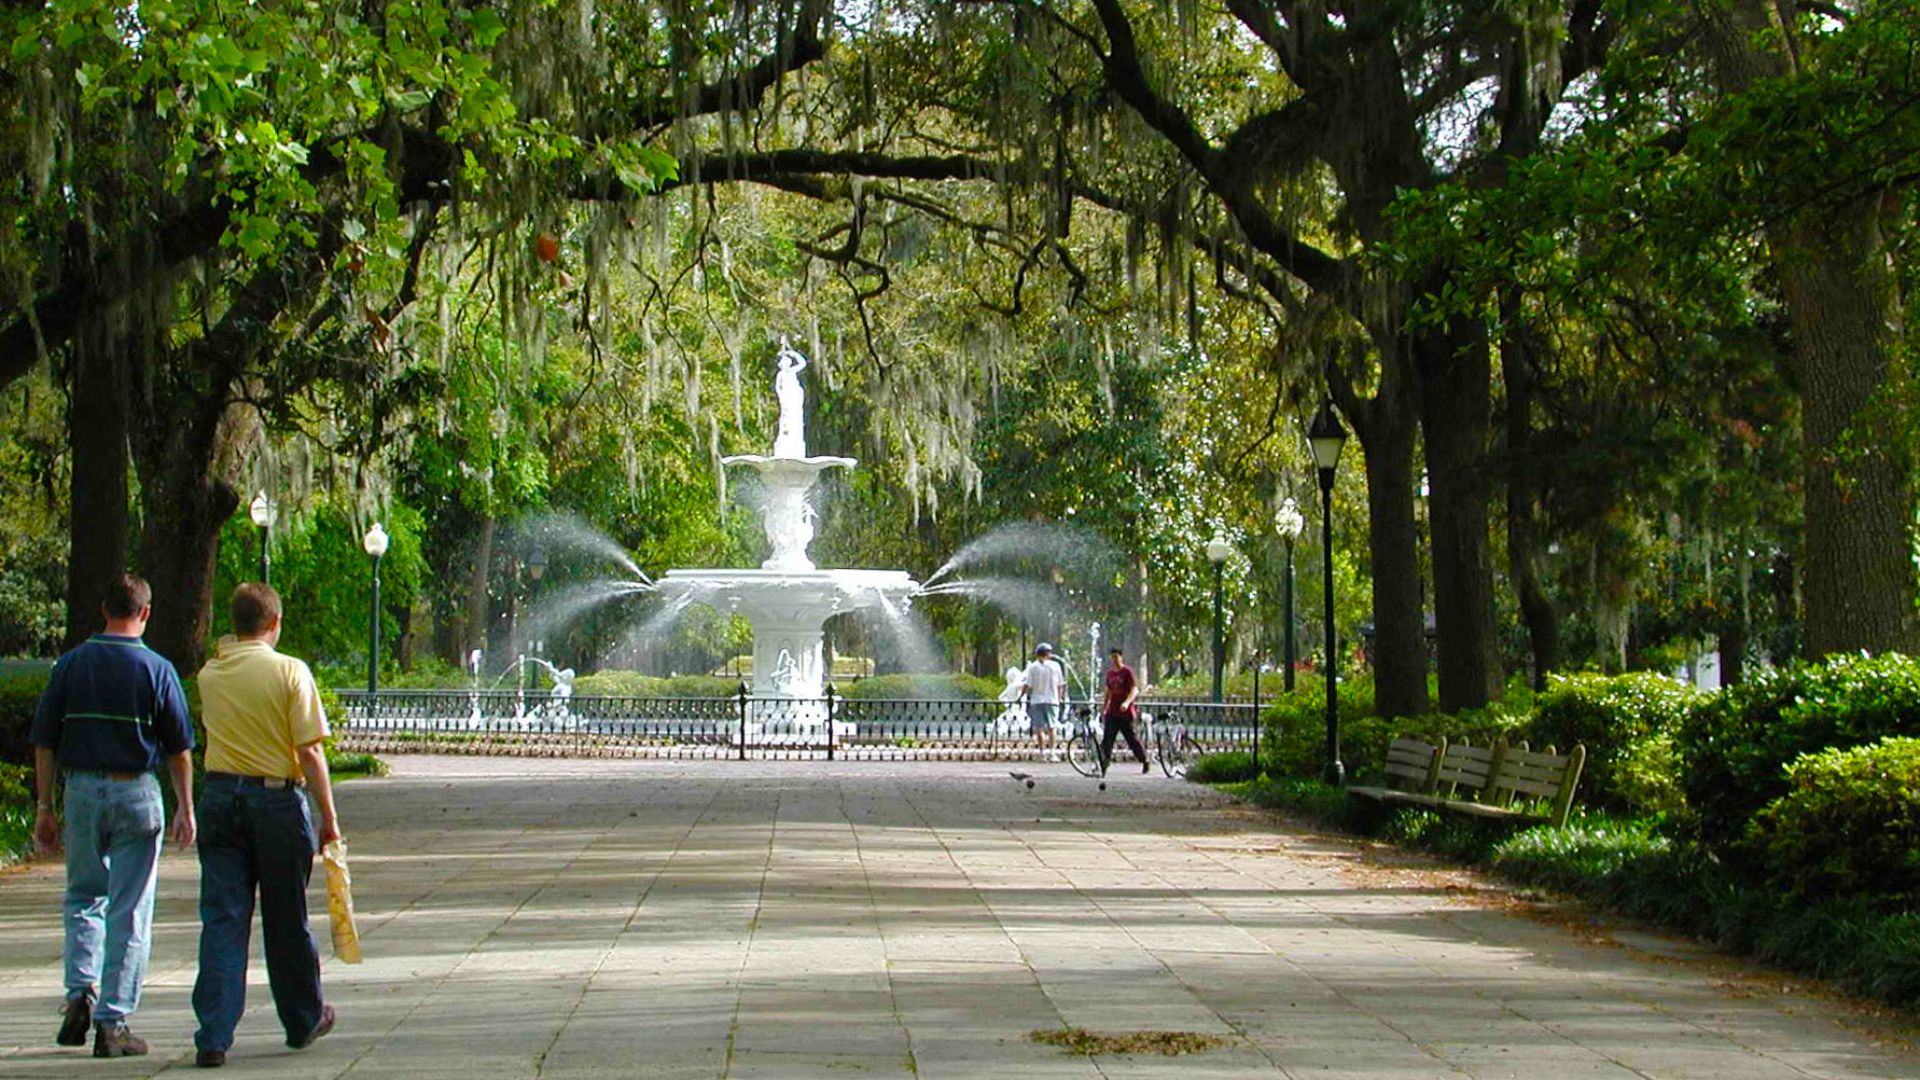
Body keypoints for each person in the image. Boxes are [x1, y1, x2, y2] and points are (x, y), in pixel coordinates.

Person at [29, 573, 196, 1058]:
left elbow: (45, 740)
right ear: (145, 612)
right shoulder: (157, 669)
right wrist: (186, 807)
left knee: (83, 897)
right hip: (136, 792)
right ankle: (112, 1021)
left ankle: (80, 993)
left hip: (81, 790)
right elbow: (179, 749)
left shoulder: (71, 665)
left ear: (104, 609)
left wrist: (45, 806)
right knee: (130, 908)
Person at [191, 583, 341, 1069]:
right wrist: (329, 818)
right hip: (276, 801)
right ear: (274, 623)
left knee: (223, 917)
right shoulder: (290, 671)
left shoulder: (211, 674)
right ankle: (302, 1018)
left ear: (235, 623)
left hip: (219, 797)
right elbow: (309, 750)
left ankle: (213, 1034)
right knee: (286, 916)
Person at [1099, 647, 1150, 773]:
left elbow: (1134, 689)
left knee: (1131, 738)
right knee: (1107, 739)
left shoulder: (1127, 672)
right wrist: (1104, 707)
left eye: (1116, 657)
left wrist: (1127, 702)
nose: (1114, 660)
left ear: (1121, 657)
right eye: (1112, 657)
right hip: (1112, 711)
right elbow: (1108, 691)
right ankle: (1105, 762)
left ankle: (1144, 760)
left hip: (1125, 713)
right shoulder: (1110, 674)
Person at [1019, 643, 1065, 756]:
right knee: (1052, 727)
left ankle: (1042, 751)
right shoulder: (1055, 666)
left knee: (1039, 728)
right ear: (1048, 654)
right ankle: (1052, 752)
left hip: (1037, 701)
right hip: (1052, 700)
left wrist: (1021, 696)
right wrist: (1059, 698)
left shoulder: (1033, 667)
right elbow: (1060, 685)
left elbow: (1028, 685)